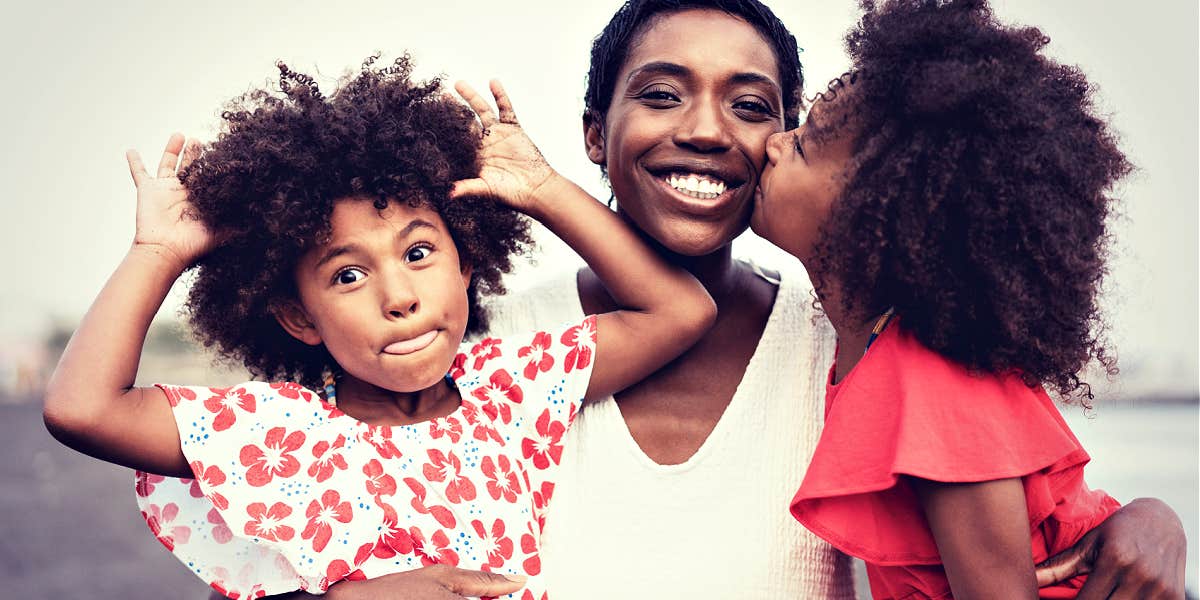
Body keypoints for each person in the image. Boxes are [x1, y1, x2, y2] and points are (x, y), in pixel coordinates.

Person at [212, 1, 1188, 598]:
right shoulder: (474, 348)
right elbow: (290, 515)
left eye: (755, 107)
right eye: (664, 94)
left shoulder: (863, 350)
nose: (713, 132)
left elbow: (1025, 506)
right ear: (594, 133)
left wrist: (1154, 519)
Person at [41, 55, 716, 599]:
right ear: (299, 316)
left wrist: (541, 187)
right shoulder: (276, 433)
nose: (399, 296)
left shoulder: (513, 390)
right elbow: (83, 409)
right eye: (348, 275)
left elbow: (680, 311)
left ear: (466, 261)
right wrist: (158, 253)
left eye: (419, 253)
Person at [752, 0, 1186, 598]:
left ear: (875, 215)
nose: (774, 144)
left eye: (802, 146)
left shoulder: (931, 383)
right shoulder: (880, 358)